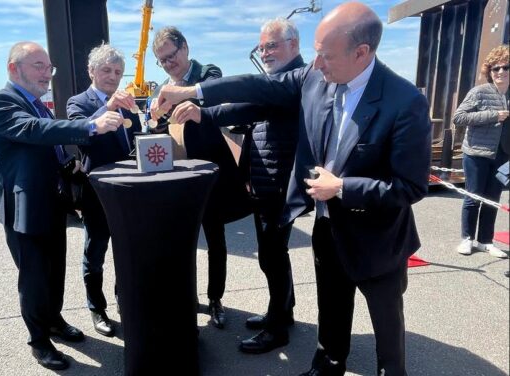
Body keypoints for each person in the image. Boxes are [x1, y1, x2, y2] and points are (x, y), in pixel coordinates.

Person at [154, 2, 431, 374]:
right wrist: (194, 92)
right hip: (327, 225)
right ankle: (327, 365)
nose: (316, 63)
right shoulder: (314, 78)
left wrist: (344, 187)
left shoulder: (405, 101)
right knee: (331, 305)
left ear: (361, 53)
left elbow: (410, 186)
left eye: (325, 55)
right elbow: (257, 88)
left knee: (386, 323)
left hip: (376, 237)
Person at [0, 41, 127, 370]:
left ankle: (54, 321)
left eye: (49, 68)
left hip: (51, 203)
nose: (46, 74)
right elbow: (34, 131)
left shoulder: (39, 104)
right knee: (34, 278)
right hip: (24, 209)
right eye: (38, 66)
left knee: (54, 272)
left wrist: (67, 165)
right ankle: (39, 340)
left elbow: (48, 145)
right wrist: (92, 124)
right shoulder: (3, 103)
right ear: (12, 68)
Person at [171, 17, 307, 354]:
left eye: (272, 45)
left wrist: (194, 93)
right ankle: (283, 311)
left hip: (279, 185)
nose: (265, 52)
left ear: (294, 45)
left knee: (272, 256)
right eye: (261, 47)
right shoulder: (277, 82)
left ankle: (277, 330)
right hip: (268, 183)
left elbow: (247, 89)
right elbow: (246, 107)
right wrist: (203, 114)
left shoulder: (293, 79)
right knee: (274, 255)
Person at [151, 26, 250, 329]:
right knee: (182, 242)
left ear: (184, 48)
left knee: (216, 240)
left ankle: (216, 298)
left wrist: (174, 97)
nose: (169, 64)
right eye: (162, 61)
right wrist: (154, 115)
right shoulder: (162, 88)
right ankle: (186, 297)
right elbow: (155, 128)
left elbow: (212, 97)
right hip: (177, 177)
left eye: (171, 56)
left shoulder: (206, 72)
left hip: (210, 176)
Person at [66, 44, 141, 337]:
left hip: (126, 191)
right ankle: (97, 308)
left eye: (118, 72)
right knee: (95, 251)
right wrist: (107, 108)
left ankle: (124, 300)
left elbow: (132, 142)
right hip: (96, 193)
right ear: (91, 71)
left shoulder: (125, 101)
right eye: (107, 70)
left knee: (126, 251)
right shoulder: (79, 102)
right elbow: (79, 134)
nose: (113, 77)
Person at [453, 44, 509, 259]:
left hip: (503, 156)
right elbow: (458, 118)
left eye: (506, 67)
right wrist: (493, 115)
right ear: (490, 72)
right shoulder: (479, 92)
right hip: (477, 153)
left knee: (492, 198)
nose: (501, 72)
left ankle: (485, 241)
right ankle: (467, 238)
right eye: (496, 68)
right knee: (473, 197)